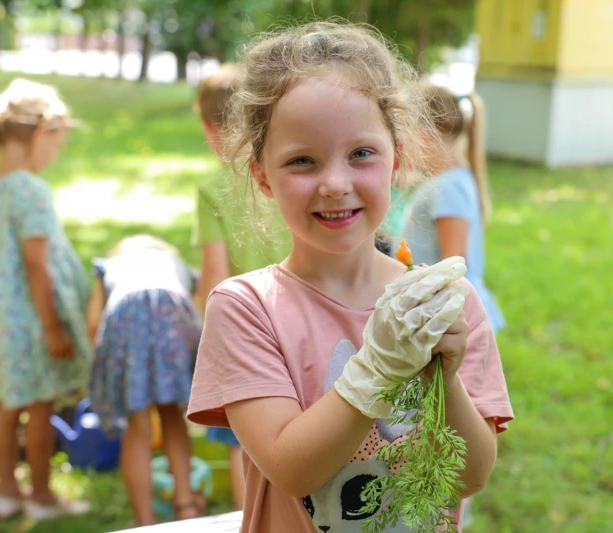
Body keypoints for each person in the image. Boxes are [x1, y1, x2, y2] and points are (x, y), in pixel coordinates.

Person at [187, 21, 514, 532]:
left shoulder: (447, 303)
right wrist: (380, 366)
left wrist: (443, 379)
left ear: (396, 159)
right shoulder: (245, 307)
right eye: (302, 161)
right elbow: (293, 469)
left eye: (361, 153)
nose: (336, 184)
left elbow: (470, 476)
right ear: (262, 176)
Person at [0, 78, 91, 521]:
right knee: (40, 404)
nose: (55, 154)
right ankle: (42, 497)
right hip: (29, 316)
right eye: (57, 143)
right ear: (43, 133)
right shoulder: (31, 190)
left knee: (9, 403)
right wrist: (53, 327)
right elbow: (36, 265)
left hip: (0, 313)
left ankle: (8, 492)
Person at [192, 62, 292, 510]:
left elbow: (213, 274)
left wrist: (202, 335)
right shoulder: (286, 171)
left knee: (242, 444)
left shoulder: (211, 186)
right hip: (300, 318)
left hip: (246, 331)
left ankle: (249, 517)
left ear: (209, 128)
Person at [86, 235, 204, 526]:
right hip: (173, 314)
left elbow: (92, 322)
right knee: (172, 414)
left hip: (125, 318)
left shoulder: (109, 266)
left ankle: (145, 521)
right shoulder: (177, 265)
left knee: (136, 428)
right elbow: (196, 310)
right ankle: (185, 502)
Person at [395, 83, 505, 333]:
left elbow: (452, 271)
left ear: (422, 133)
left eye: (403, 134)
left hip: (447, 320)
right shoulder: (450, 180)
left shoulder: (447, 188)